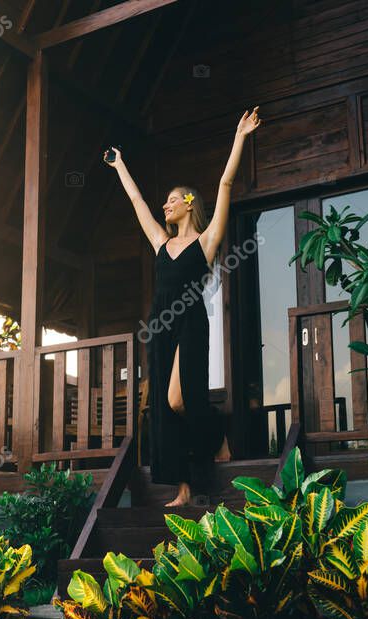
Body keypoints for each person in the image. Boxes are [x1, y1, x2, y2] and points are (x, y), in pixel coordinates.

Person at [103, 106, 263, 506]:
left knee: (179, 398)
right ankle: (184, 489)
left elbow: (225, 184)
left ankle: (218, 439)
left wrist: (240, 137)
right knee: (164, 408)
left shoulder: (206, 242)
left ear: (190, 204)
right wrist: (120, 165)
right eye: (166, 202)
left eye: (174, 200)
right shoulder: (161, 242)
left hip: (191, 323)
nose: (166, 206)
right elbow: (138, 201)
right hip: (160, 326)